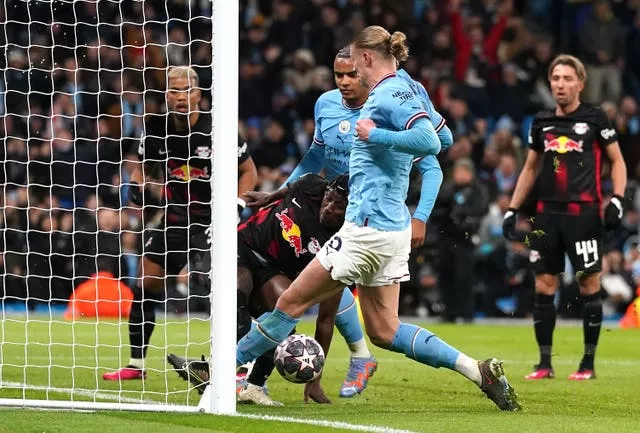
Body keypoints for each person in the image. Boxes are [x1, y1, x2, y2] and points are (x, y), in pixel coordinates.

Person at [234, 26, 521, 412]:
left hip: (365, 229)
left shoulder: (385, 94)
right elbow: (446, 137)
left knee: (289, 302)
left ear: (366, 59)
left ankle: (221, 370)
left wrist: (376, 135)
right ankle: (477, 370)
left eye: (353, 64)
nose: (350, 74)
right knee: (386, 331)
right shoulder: (411, 87)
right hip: (391, 230)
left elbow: (432, 144)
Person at [273, 46, 452, 398]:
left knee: (320, 299)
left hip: (370, 219)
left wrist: (421, 218)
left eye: (351, 74)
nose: (344, 82)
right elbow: (315, 156)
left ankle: (343, 362)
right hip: (329, 210)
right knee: (312, 292)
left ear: (366, 72)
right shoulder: (325, 105)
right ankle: (349, 361)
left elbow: (433, 162)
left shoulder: (390, 105)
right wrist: (282, 193)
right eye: (338, 75)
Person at [103, 66, 258, 381]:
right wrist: (136, 184)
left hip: (212, 220)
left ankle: (240, 366)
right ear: (166, 96)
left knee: (225, 290)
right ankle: (136, 365)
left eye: (187, 90)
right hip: (174, 218)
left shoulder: (219, 128)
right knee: (145, 285)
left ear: (198, 95)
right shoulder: (156, 127)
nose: (180, 97)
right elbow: (143, 169)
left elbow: (249, 172)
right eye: (174, 91)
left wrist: (236, 206)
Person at [168, 174, 350, 406]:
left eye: (339, 207)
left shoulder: (341, 245)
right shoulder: (312, 185)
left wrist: (315, 379)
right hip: (243, 244)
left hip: (273, 269)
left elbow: (326, 318)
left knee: (285, 320)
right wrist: (269, 197)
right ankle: (217, 373)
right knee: (236, 304)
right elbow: (288, 190)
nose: (329, 208)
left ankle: (252, 387)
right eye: (329, 200)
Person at [503, 54, 627, 380]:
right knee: (543, 284)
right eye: (556, 78)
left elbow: (617, 161)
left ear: (580, 84)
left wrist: (617, 198)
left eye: (567, 79)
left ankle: (587, 364)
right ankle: (544, 363)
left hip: (583, 214)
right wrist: (513, 208)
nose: (560, 84)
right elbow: (530, 168)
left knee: (589, 282)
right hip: (546, 215)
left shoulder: (596, 119)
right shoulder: (541, 121)